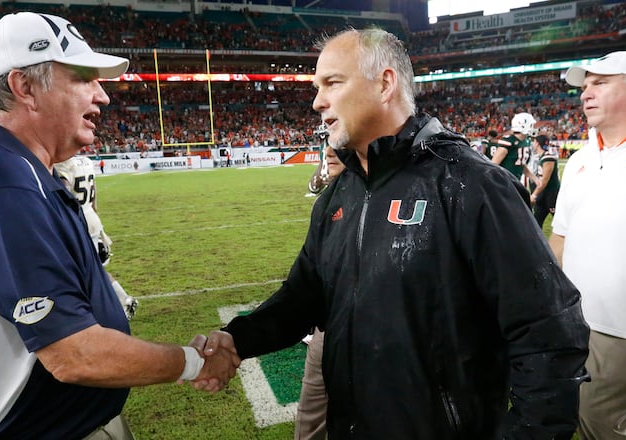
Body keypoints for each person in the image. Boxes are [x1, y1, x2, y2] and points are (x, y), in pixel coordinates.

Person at [195, 28, 589, 439]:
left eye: (332, 83)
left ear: (385, 83)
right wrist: (237, 341)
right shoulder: (340, 193)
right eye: (317, 87)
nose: (317, 102)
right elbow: (303, 296)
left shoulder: (470, 184)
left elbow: (549, 331)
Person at [0, 12, 238, 439]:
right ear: (24, 87)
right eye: (84, 78)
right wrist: (192, 361)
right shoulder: (0, 184)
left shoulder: (17, 172)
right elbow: (75, 356)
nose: (103, 96)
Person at [550, 50, 626, 440]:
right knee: (597, 424)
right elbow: (560, 240)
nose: (586, 94)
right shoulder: (582, 161)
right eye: (584, 86)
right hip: (587, 328)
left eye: (600, 83)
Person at [296, 143, 346, 440]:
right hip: (328, 326)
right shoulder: (326, 202)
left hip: (375, 332)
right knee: (311, 413)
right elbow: (301, 283)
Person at [54, 155, 138, 320]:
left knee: (85, 270)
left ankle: (121, 302)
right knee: (91, 268)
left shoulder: (62, 164)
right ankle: (120, 301)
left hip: (77, 221)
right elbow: (94, 197)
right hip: (90, 217)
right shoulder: (85, 160)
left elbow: (63, 195)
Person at [491, 112, 540, 189]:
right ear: (522, 125)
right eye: (531, 125)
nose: (532, 127)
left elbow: (520, 164)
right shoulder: (509, 141)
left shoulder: (525, 141)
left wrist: (534, 178)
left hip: (516, 183)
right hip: (504, 184)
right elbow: (493, 165)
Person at [529, 134, 559, 227]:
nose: (533, 144)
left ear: (537, 143)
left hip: (551, 195)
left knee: (560, 222)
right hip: (543, 194)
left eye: (534, 142)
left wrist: (534, 194)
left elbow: (545, 180)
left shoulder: (548, 158)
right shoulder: (541, 156)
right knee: (536, 223)